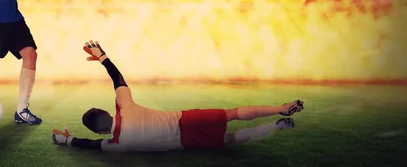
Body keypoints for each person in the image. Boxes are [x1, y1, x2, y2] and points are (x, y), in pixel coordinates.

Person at [52, 40, 304, 151]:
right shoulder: (124, 107)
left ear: (99, 131)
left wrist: (66, 140)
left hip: (185, 143)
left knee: (231, 139)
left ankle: (276, 126)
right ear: (108, 112)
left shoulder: (116, 145)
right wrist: (102, 56)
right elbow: (117, 77)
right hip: (185, 120)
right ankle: (279, 108)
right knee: (231, 114)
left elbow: (91, 146)